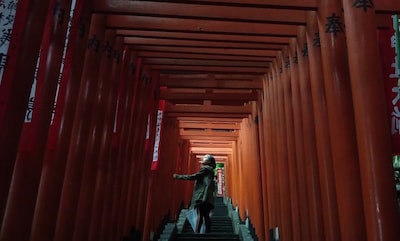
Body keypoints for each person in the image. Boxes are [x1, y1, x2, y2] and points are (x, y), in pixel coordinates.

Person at [173, 154, 216, 233]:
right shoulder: (211, 171)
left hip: (202, 196)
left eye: (205, 158)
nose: (203, 159)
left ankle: (197, 232)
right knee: (206, 215)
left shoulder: (205, 169)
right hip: (208, 197)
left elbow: (193, 176)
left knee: (200, 213)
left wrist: (178, 176)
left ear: (209, 161)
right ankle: (208, 232)